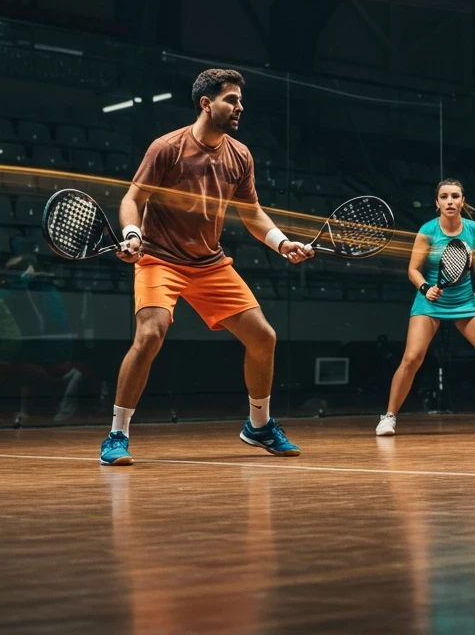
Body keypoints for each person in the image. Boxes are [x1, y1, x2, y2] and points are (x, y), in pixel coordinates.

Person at [99, 68, 314, 465]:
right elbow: (133, 198)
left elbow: (252, 214)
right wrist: (131, 234)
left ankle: (259, 426)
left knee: (263, 337)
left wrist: (283, 243)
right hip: (159, 257)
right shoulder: (167, 148)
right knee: (151, 333)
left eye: (239, 100)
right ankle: (117, 434)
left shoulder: (240, 155)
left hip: (210, 263)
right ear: (205, 103)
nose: (239, 106)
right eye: (231, 99)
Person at [376, 179, 475, 435]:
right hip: (429, 303)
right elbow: (413, 270)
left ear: (462, 200)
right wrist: (426, 288)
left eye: (455, 196)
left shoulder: (474, 230)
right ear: (437, 203)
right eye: (444, 196)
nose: (450, 201)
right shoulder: (428, 231)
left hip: (465, 302)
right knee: (412, 358)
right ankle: (388, 417)